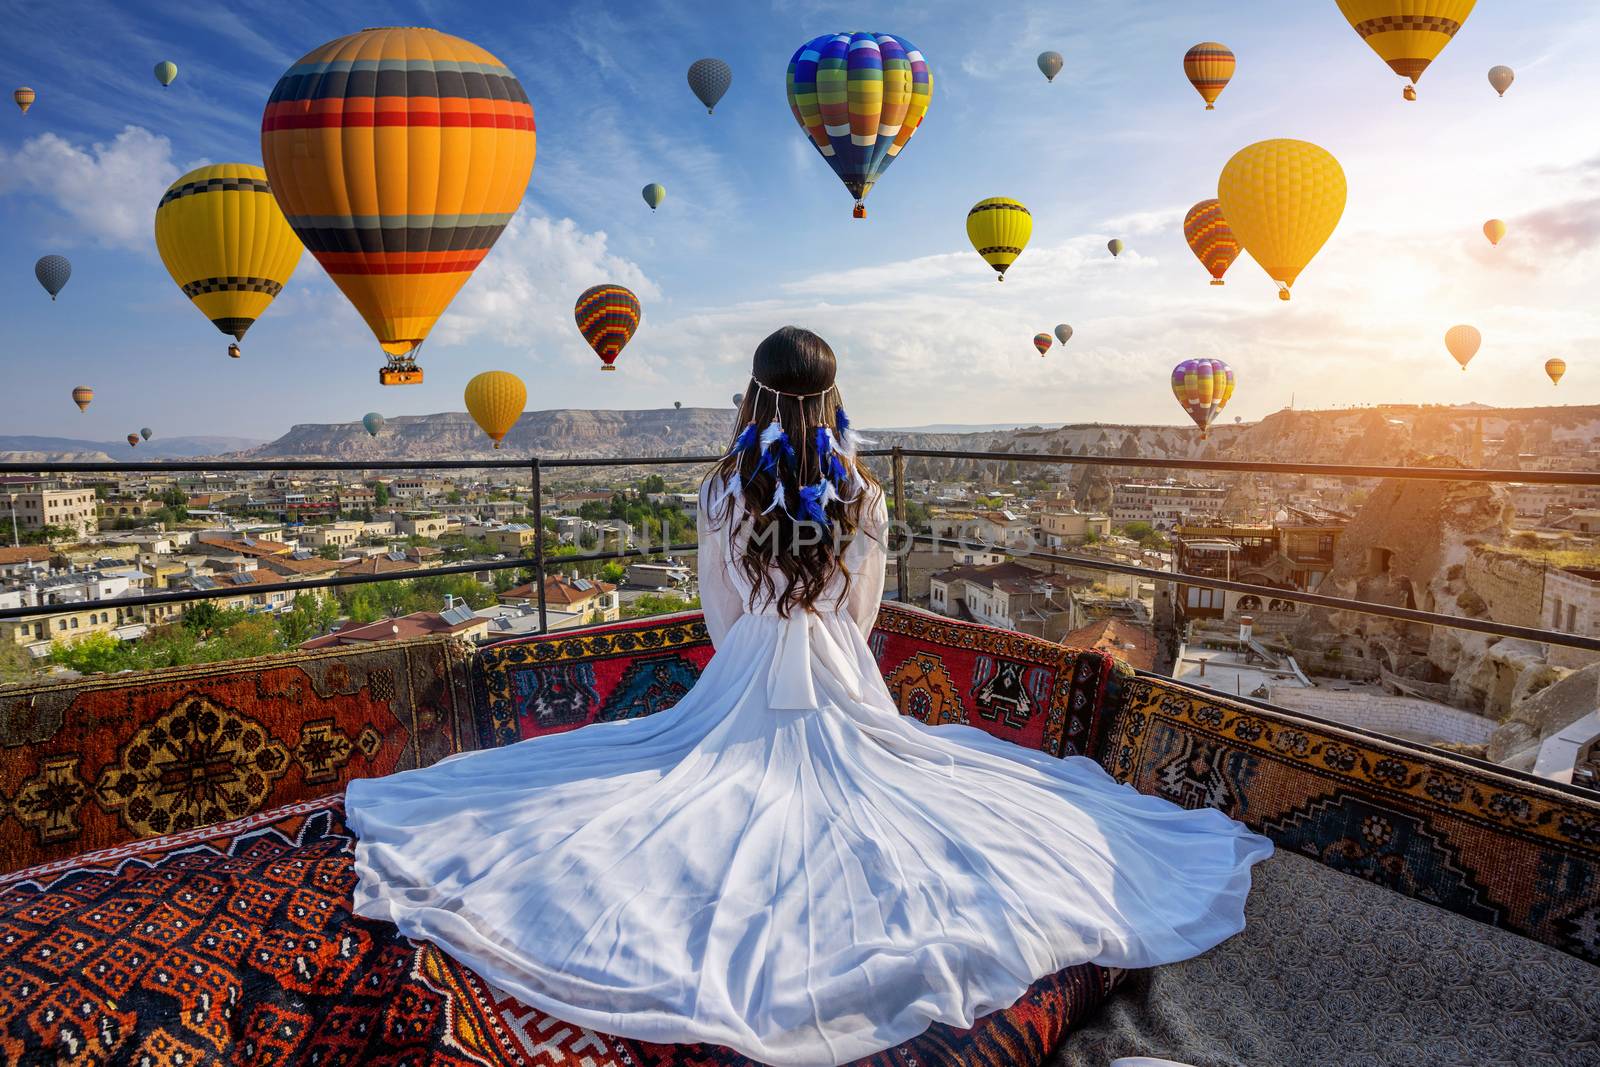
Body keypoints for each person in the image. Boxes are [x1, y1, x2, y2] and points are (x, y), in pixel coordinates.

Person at [345, 326, 1272, 1066]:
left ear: (751, 396)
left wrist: (752, 651)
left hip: (748, 661)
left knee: (667, 784)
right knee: (920, 786)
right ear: (834, 398)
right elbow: (866, 609)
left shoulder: (721, 489)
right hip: (838, 666)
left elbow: (716, 605)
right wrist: (827, 648)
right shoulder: (862, 493)